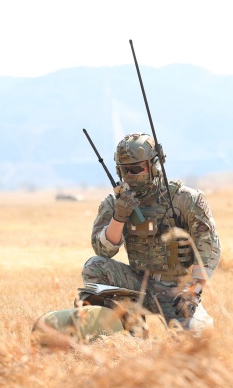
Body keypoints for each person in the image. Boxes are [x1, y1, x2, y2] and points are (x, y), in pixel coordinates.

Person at [82, 132, 221, 332]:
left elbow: (209, 249)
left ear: (154, 165)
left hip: (177, 293)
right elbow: (103, 251)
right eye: (124, 170)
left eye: (136, 169)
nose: (129, 176)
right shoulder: (114, 203)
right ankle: (130, 331)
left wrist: (193, 291)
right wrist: (119, 217)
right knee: (94, 267)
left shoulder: (185, 200)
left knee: (197, 338)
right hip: (137, 287)